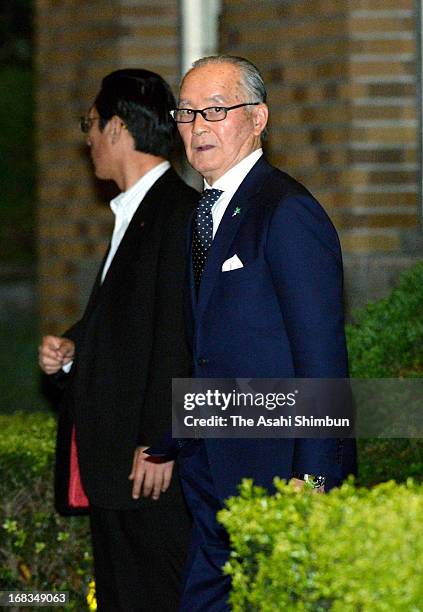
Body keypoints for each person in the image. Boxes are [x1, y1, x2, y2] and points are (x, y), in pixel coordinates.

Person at [146, 55, 357, 611]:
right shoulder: (203, 214)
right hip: (213, 478)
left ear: (258, 118)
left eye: (216, 110)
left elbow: (323, 360)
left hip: (280, 478)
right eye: (187, 113)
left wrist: (312, 480)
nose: (198, 127)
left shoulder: (285, 211)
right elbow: (208, 349)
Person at [38, 69, 198, 612]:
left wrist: (160, 439)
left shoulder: (177, 213)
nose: (87, 138)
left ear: (118, 128)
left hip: (146, 472)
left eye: (91, 123)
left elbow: (180, 336)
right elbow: (130, 325)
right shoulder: (134, 213)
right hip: (117, 473)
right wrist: (72, 351)